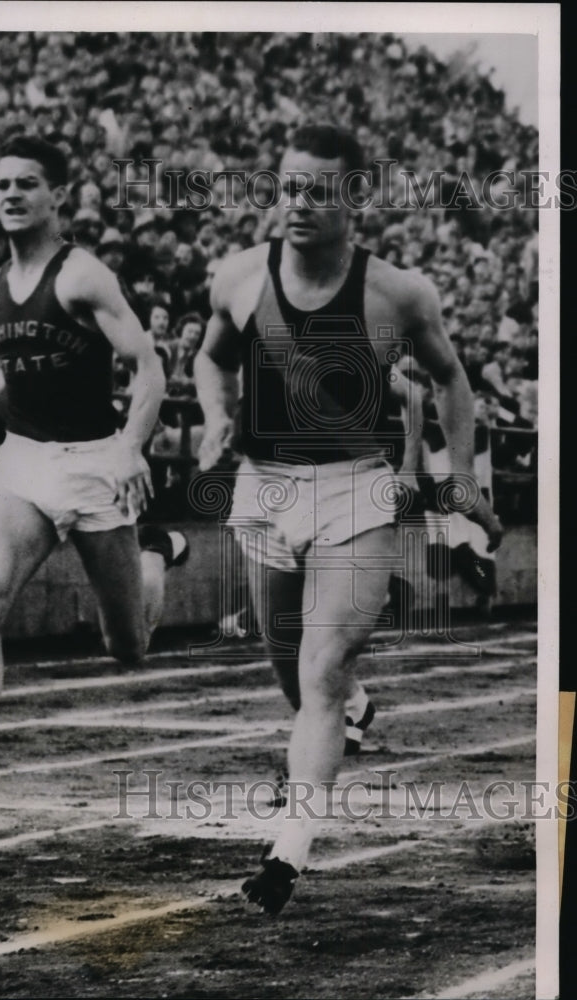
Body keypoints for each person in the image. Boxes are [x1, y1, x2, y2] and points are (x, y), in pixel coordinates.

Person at [194, 123, 502, 915]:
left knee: (320, 672)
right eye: (288, 185)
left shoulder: (395, 292)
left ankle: (285, 856)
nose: (297, 202)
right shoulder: (237, 277)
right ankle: (354, 712)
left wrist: (458, 477)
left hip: (357, 489)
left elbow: (449, 379)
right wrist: (213, 414)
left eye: (317, 189)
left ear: (354, 197)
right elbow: (210, 356)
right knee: (287, 662)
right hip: (265, 485)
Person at [0, 136, 187, 806]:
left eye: (27, 183)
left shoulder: (82, 275)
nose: (11, 195)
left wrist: (132, 446)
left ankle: (154, 553)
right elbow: (20, 375)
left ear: (57, 196)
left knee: (126, 646)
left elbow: (148, 367)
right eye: (2, 184)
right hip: (25, 460)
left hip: (95, 463)